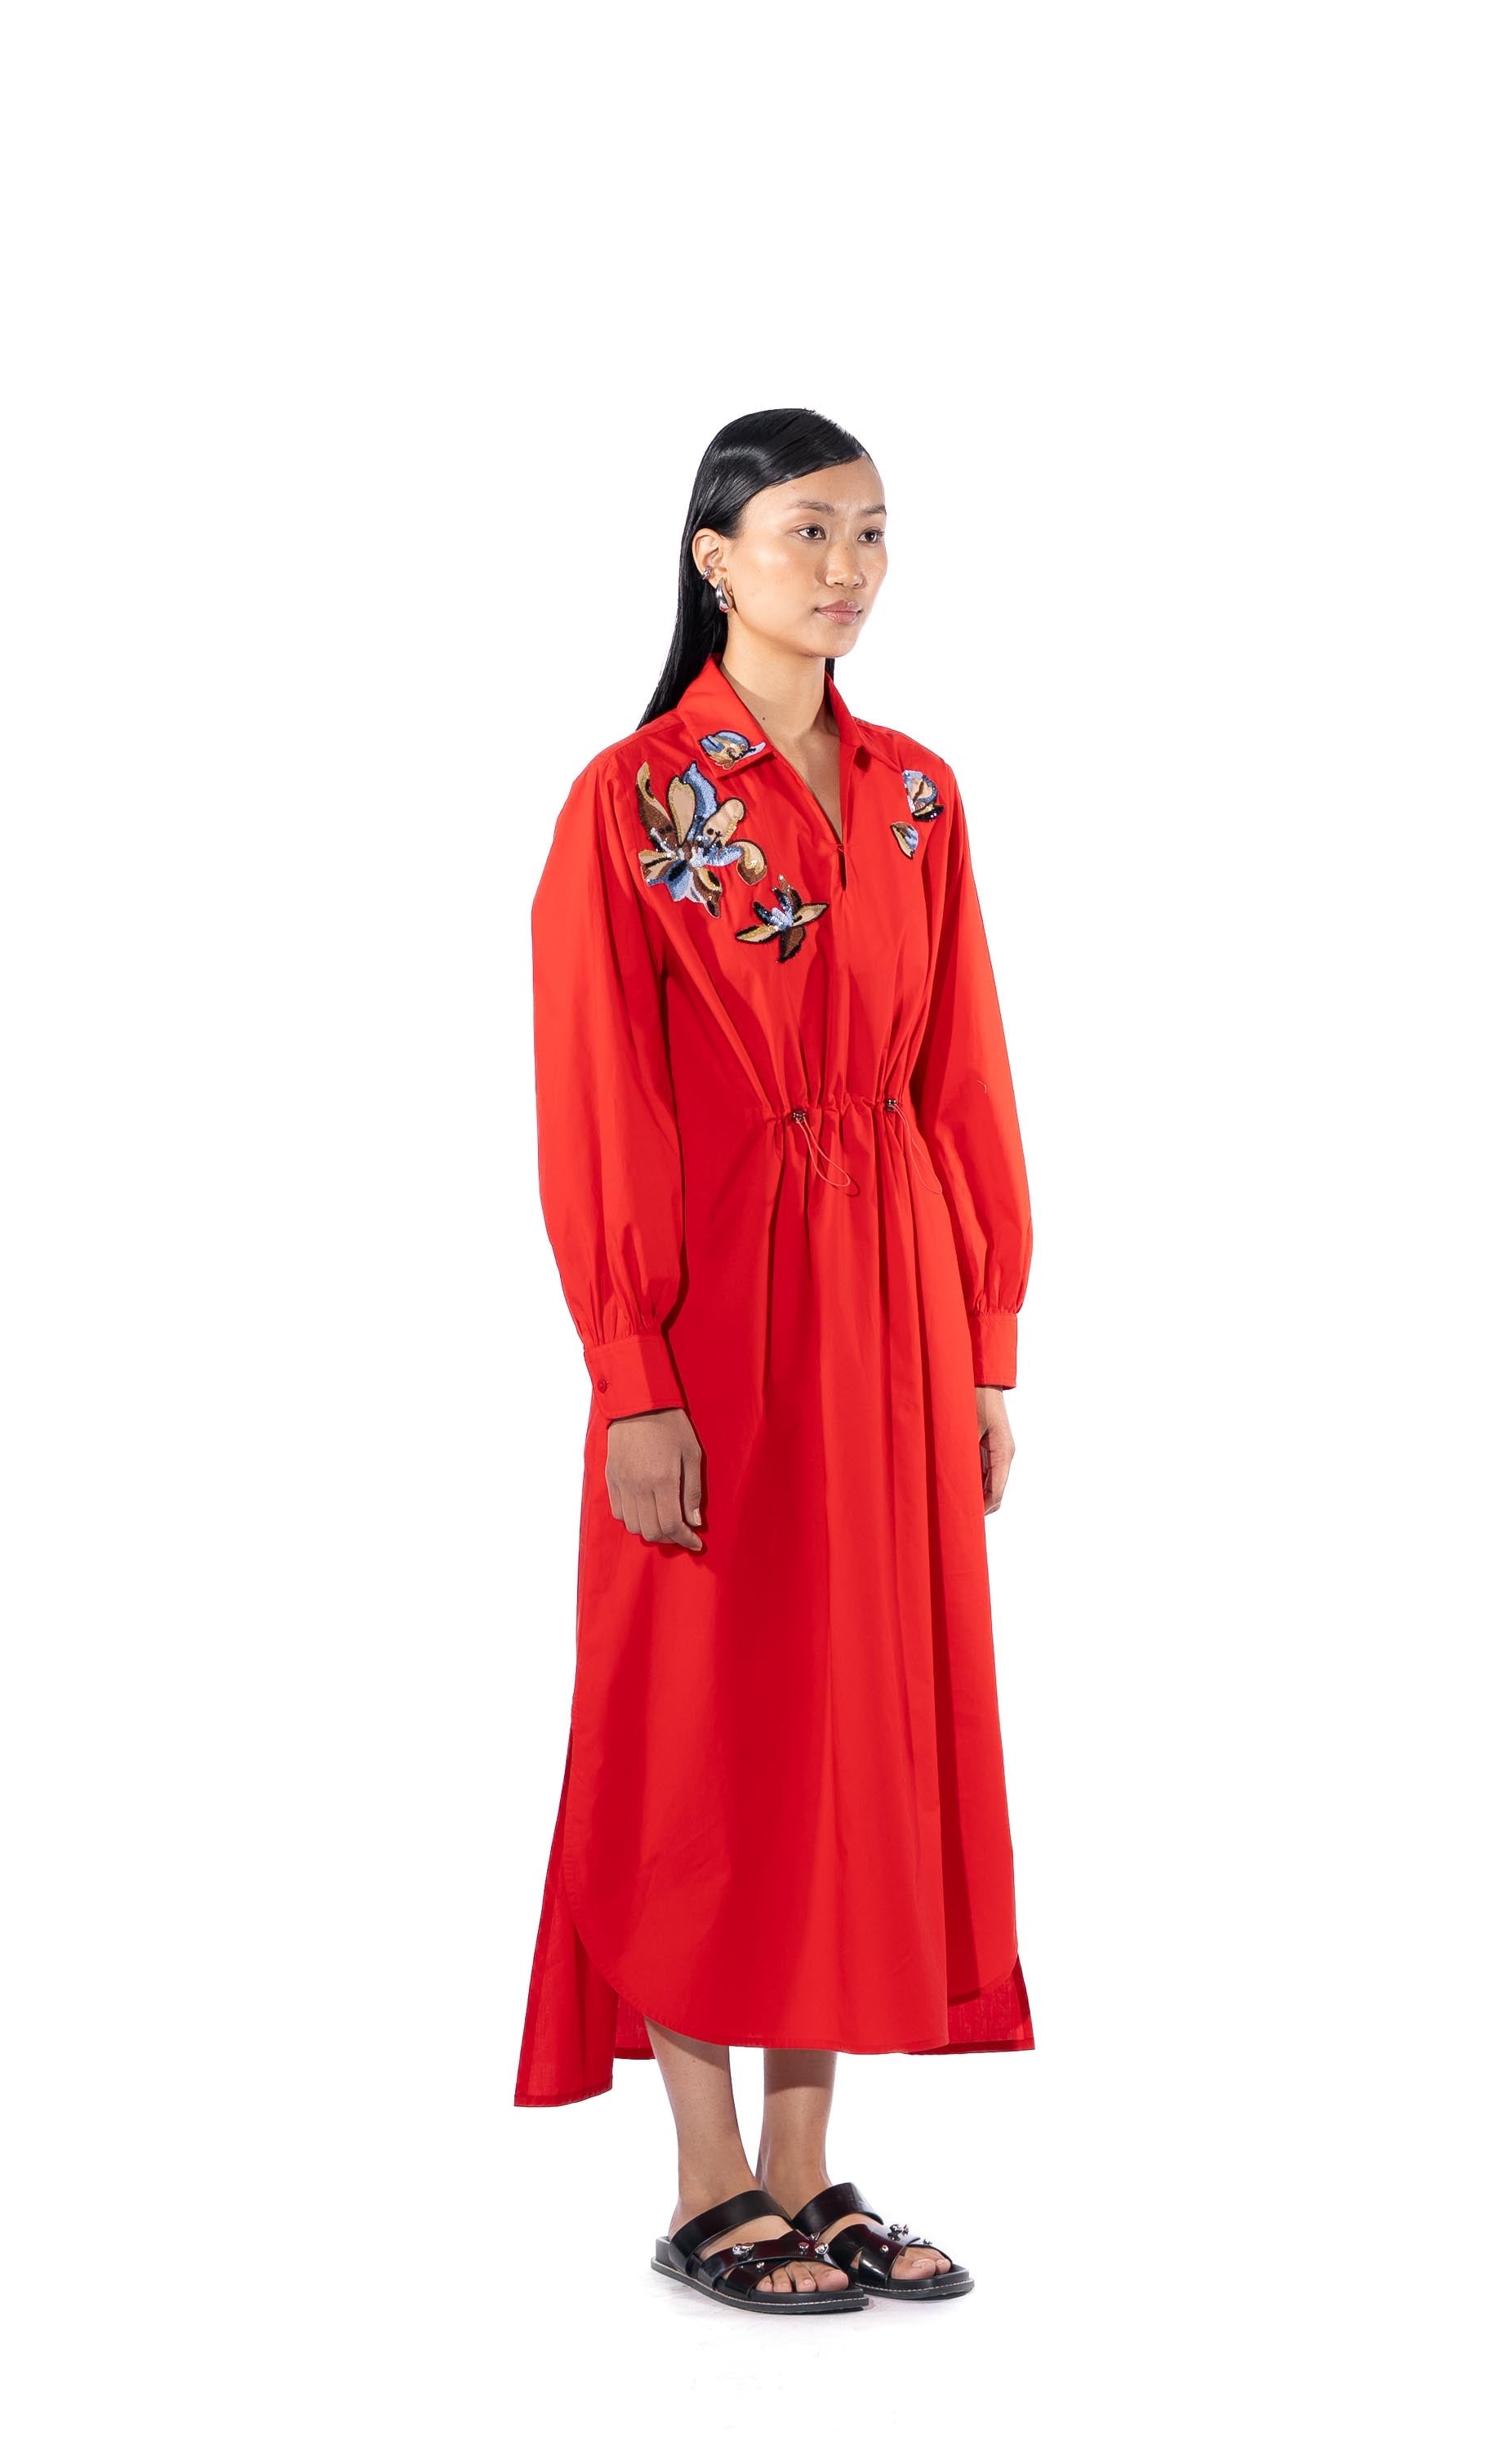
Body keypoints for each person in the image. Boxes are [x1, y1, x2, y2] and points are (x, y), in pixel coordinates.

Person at [514, 408, 1035, 2314]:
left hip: (896, 1298)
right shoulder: (633, 802)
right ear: (713, 556)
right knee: (698, 1713)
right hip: (718, 1303)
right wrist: (633, 1371)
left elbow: (959, 1071)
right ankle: (703, 2176)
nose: (845, 569)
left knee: (847, 1717)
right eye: (806, 530)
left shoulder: (917, 796)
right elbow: (599, 1096)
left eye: (871, 533)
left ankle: (807, 2172)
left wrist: (984, 1340)